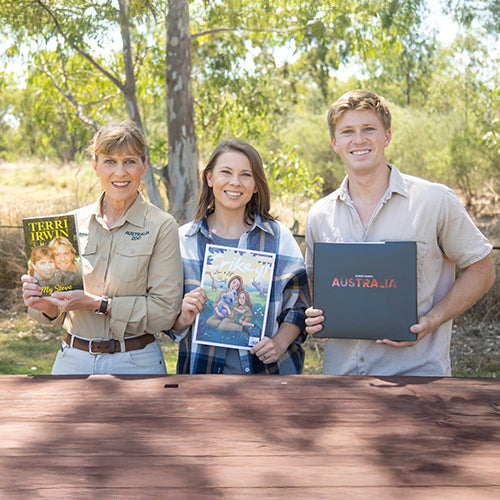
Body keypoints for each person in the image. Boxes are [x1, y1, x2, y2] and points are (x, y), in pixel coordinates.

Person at [305, 89, 495, 376]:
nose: (358, 140)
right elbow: (312, 284)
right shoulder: (319, 214)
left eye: (369, 128)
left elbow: (483, 270)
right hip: (340, 381)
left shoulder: (435, 201)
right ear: (335, 142)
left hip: (417, 379)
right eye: (347, 132)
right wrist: (313, 318)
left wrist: (432, 320)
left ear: (387, 136)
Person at [22, 121, 183, 375]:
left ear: (144, 165)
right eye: (109, 161)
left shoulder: (162, 226)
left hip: (136, 363)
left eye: (129, 161)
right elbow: (56, 308)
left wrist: (99, 304)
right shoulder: (70, 223)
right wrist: (45, 305)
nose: (120, 172)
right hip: (71, 360)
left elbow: (165, 313)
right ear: (95, 165)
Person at [167, 139, 310, 374]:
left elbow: (300, 304)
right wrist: (182, 317)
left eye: (246, 174)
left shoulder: (278, 237)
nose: (235, 182)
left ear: (256, 185)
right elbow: (167, 316)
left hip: (269, 376)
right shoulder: (184, 240)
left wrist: (279, 342)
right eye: (226, 172)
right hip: (202, 377)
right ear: (210, 178)